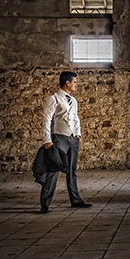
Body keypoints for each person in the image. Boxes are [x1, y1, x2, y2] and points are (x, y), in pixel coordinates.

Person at [40, 71, 92, 213]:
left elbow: (75, 118)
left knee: (71, 171)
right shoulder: (53, 98)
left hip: (72, 138)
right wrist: (47, 140)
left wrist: (78, 133)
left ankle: (76, 200)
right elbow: (47, 120)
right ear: (67, 83)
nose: (76, 84)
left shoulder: (73, 100)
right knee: (54, 170)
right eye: (74, 82)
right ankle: (45, 203)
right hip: (59, 138)